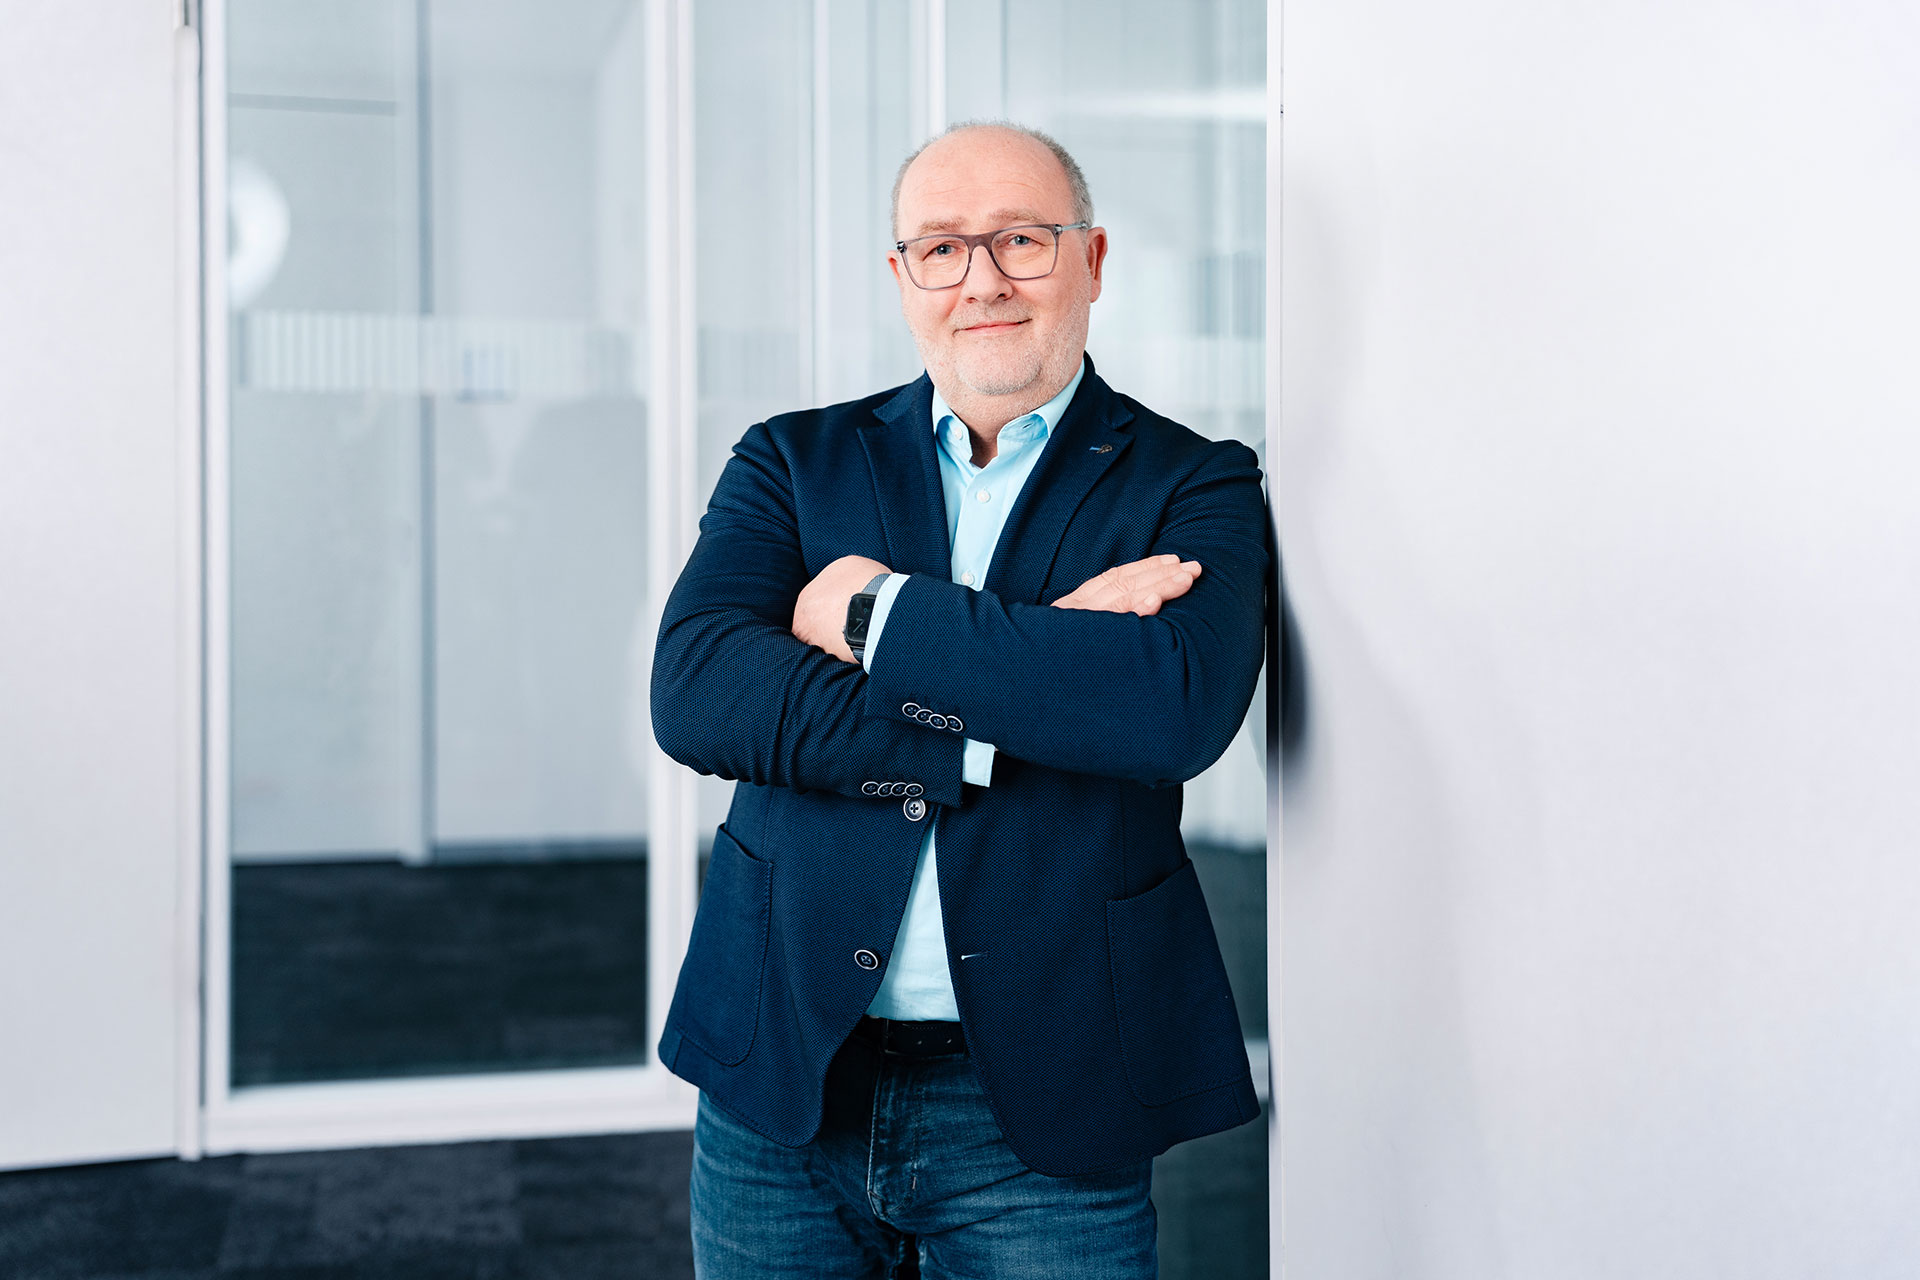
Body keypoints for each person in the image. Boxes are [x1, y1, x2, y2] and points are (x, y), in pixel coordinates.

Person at [651, 120, 1267, 1279]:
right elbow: (698, 693)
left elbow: (1171, 709)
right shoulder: (791, 461)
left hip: (1049, 1090)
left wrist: (871, 618)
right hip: (788, 1070)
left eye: (1023, 239)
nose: (981, 278)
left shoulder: (1197, 480)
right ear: (902, 279)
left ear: (1092, 261)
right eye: (942, 247)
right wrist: (1033, 682)